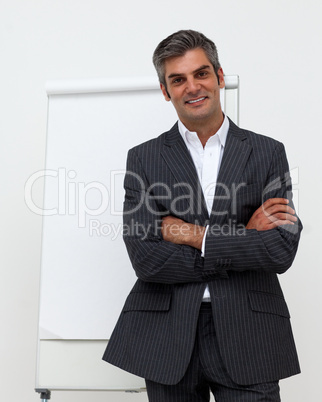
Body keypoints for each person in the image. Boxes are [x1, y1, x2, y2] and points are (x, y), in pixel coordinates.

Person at [103, 29, 302, 401]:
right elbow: (146, 258)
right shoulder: (143, 159)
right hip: (167, 336)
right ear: (165, 91)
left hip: (249, 332)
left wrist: (193, 235)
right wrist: (243, 234)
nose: (192, 87)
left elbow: (279, 249)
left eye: (201, 73)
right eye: (178, 80)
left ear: (220, 76)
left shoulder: (267, 152)